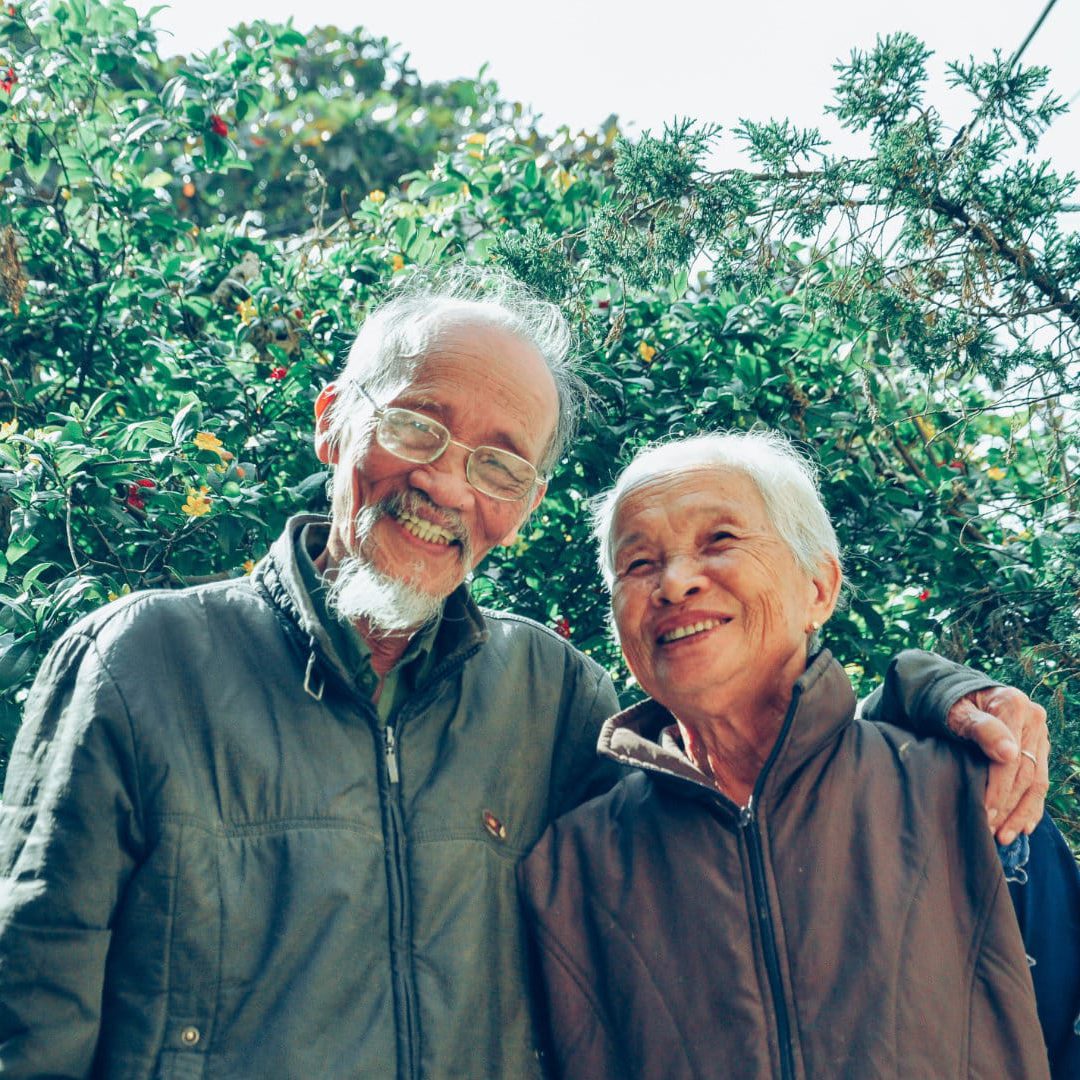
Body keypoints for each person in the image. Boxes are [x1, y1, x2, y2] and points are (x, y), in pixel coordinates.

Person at [0, 269, 1053, 1079]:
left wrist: (932, 696)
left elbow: (751, 804)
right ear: (333, 420)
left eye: (502, 462)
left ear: (529, 502)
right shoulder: (141, 662)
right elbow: (28, 1014)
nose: (447, 484)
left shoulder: (545, 694)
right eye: (417, 424)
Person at [518, 430, 1080, 1079]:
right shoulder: (570, 867)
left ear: (819, 588)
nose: (673, 584)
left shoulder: (970, 791)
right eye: (638, 564)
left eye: (719, 541)